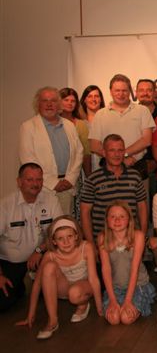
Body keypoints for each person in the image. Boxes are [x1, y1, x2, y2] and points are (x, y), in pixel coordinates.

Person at [16, 216, 102, 339]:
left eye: (69, 236)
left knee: (75, 293)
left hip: (83, 288)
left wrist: (100, 309)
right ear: (54, 241)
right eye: (60, 238)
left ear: (76, 236)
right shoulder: (50, 255)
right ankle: (52, 321)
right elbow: (37, 284)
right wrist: (30, 314)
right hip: (63, 288)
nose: (66, 242)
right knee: (49, 266)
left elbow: (93, 279)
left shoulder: (86, 247)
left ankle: (83, 305)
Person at [0, 163, 62, 311]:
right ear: (19, 182)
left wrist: (40, 250)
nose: (35, 184)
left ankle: (36, 286)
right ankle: (18, 286)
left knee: (55, 293)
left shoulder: (51, 200)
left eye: (39, 179)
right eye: (30, 180)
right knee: (3, 302)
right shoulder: (5, 205)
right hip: (11, 261)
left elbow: (60, 232)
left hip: (41, 257)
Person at [19, 87, 84, 216]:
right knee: (41, 225)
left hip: (67, 187)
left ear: (59, 104)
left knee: (64, 224)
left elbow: (79, 153)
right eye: (45, 101)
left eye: (53, 101)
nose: (49, 104)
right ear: (38, 104)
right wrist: (53, 183)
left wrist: (70, 180)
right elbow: (28, 160)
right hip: (42, 188)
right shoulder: (28, 127)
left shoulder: (69, 125)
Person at [80, 134, 148, 244]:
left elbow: (142, 207)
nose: (117, 154)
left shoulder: (135, 176)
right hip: (103, 242)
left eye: (120, 150)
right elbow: (85, 212)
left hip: (130, 241)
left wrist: (142, 237)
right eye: (112, 150)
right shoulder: (93, 179)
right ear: (104, 153)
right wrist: (91, 244)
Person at [98, 202, 156, 325]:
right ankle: (116, 302)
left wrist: (128, 301)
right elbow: (105, 269)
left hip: (137, 285)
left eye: (122, 216)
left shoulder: (138, 236)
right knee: (114, 319)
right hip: (116, 286)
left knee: (126, 318)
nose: (117, 220)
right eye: (113, 216)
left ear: (129, 219)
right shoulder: (103, 237)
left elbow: (135, 269)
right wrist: (112, 300)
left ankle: (137, 302)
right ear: (107, 220)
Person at [89, 74, 156, 179]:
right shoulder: (100, 114)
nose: (121, 94)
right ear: (110, 91)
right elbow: (94, 145)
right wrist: (120, 158)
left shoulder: (143, 111)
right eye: (117, 90)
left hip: (136, 166)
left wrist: (123, 155)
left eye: (124, 90)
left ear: (130, 92)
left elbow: (146, 140)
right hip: (108, 169)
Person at [59, 87, 91, 177]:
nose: (69, 103)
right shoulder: (52, 123)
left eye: (73, 101)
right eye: (66, 100)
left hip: (74, 174)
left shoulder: (80, 125)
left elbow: (86, 153)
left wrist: (89, 176)